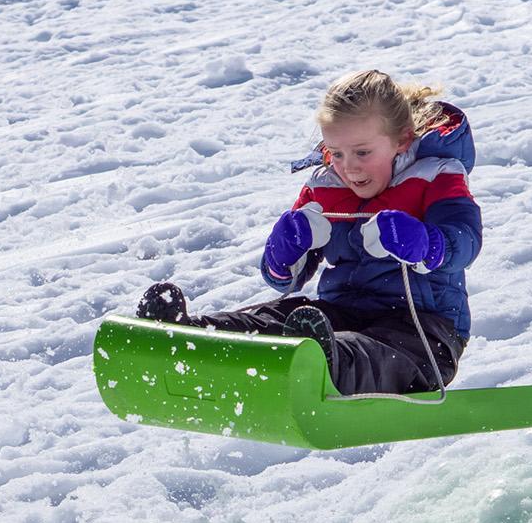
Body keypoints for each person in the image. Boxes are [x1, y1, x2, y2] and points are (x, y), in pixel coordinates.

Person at [137, 69, 482, 396]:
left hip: (424, 331)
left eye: (363, 152)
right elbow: (283, 279)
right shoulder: (325, 185)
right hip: (340, 315)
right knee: (282, 317)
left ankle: (320, 365)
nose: (349, 167)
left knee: (372, 351)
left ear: (402, 140)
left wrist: (424, 243)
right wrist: (286, 250)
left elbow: (465, 238)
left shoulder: (437, 176)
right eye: (336, 153)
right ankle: (188, 339)